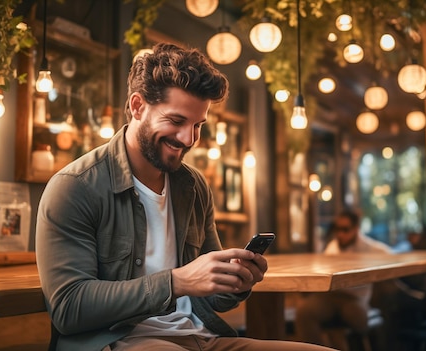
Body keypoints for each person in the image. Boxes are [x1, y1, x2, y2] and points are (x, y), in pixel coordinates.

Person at [36, 43, 335, 351]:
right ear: (137, 106)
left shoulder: (193, 186)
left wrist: (236, 282)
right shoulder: (76, 187)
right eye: (177, 121)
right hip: (120, 342)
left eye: (198, 125)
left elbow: (214, 299)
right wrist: (177, 281)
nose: (188, 139)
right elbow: (68, 309)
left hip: (201, 338)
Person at [294, 209, 392, 350]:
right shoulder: (332, 248)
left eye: (345, 229)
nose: (340, 234)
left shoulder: (368, 248)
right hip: (331, 296)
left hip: (355, 299)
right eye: (337, 229)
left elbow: (391, 255)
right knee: (304, 311)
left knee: (356, 318)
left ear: (356, 229)